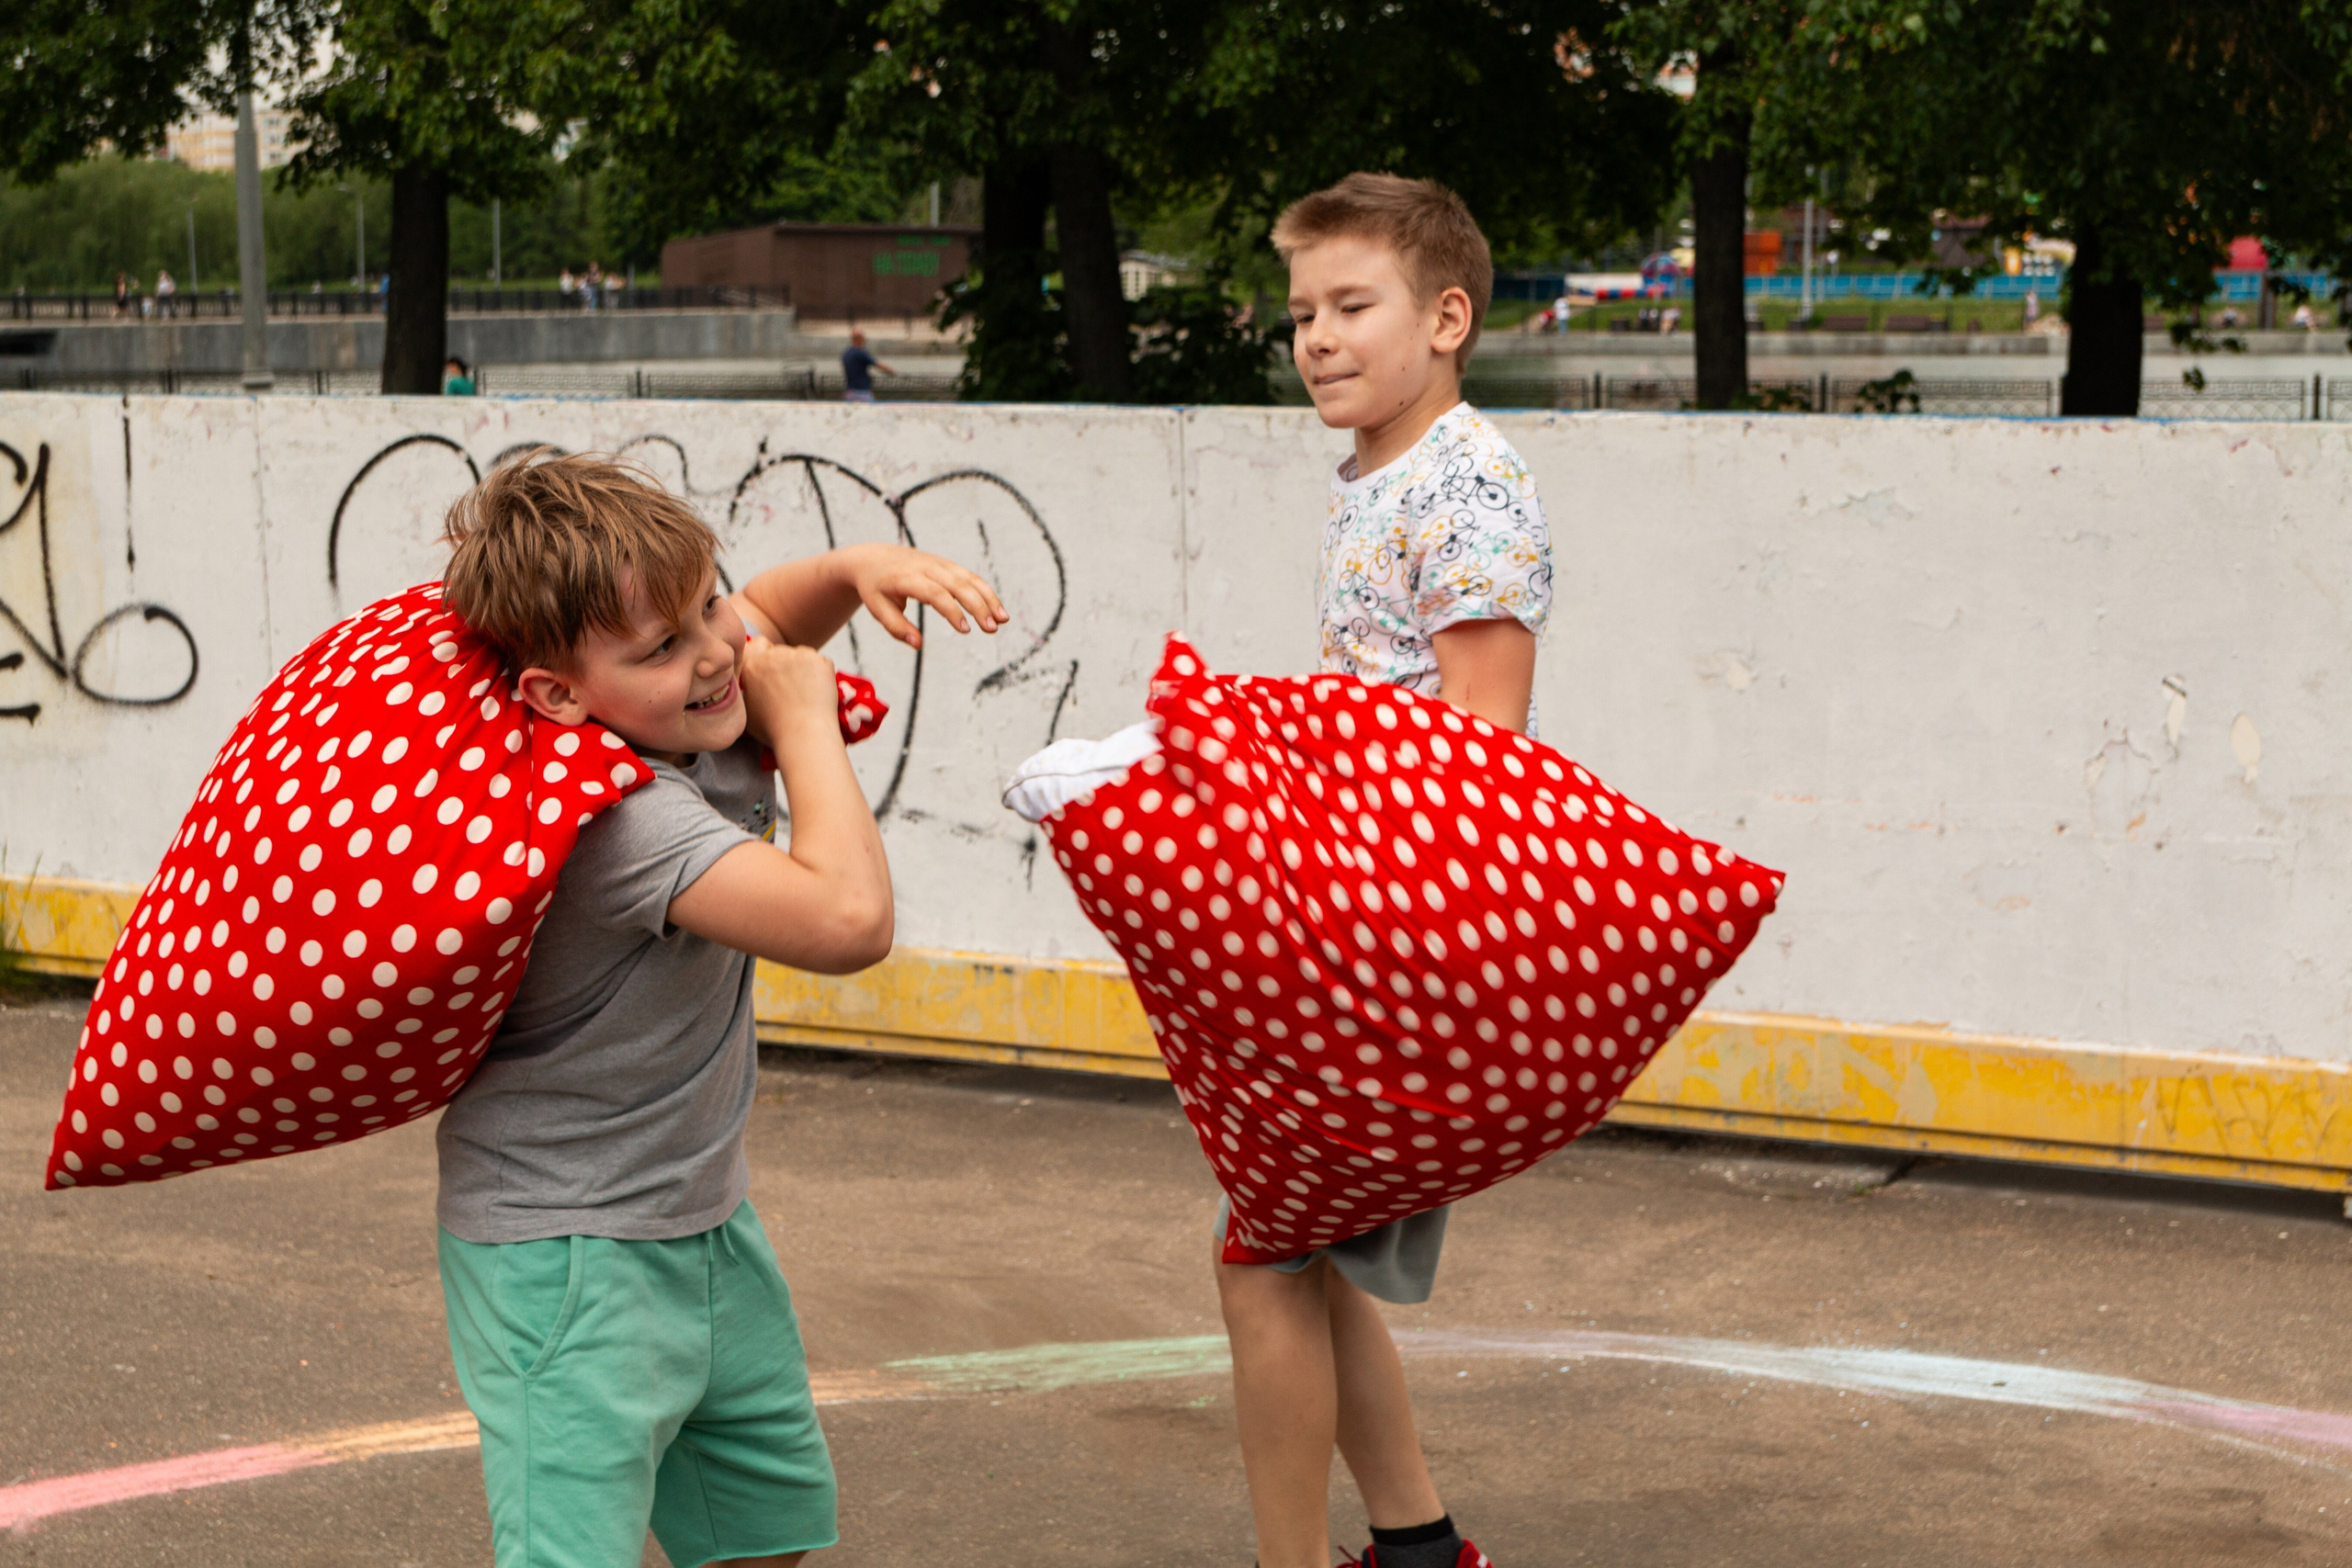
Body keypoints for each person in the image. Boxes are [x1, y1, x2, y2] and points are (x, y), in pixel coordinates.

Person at [434, 452, 1008, 1568]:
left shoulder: (671, 701)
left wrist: (849, 567)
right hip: (567, 1255)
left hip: (699, 1222)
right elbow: (847, 922)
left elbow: (762, 611)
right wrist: (804, 724)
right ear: (557, 696)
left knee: (762, 1531)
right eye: (664, 647)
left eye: (704, 602)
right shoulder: (623, 823)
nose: (715, 653)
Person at [1222, 171, 1548, 1568]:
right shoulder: (1378, 478)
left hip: (1409, 923)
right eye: (1303, 311)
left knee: (1262, 1257)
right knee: (1297, 1250)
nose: (1319, 336)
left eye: (1353, 305)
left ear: (1449, 317)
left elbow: (1481, 750)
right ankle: (1419, 1546)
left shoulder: (1467, 483)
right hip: (1363, 906)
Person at [839, 329, 894, 403]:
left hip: (850, 392)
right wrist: (890, 370)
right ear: (859, 339)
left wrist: (867, 376)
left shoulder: (846, 353)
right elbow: (877, 364)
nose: (864, 341)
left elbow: (855, 370)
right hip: (862, 392)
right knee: (871, 412)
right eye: (863, 339)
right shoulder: (860, 353)